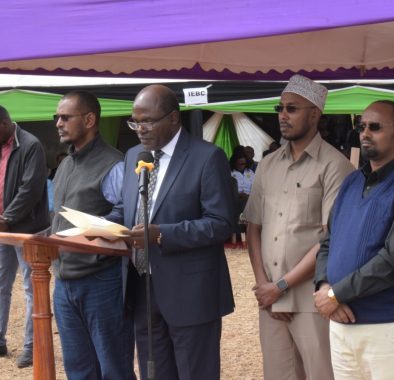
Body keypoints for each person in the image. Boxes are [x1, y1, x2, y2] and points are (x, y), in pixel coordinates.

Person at [107, 84, 235, 380]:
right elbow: (125, 208)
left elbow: (220, 222)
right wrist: (99, 226)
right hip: (141, 288)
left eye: (148, 120)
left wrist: (161, 234)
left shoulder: (206, 157)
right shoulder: (133, 157)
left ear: (174, 119)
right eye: (134, 121)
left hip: (190, 292)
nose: (140, 128)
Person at [314, 100, 394, 380]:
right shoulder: (351, 182)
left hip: (391, 327)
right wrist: (324, 286)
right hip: (342, 323)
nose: (365, 133)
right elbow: (328, 241)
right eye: (361, 127)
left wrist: (336, 294)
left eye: (375, 127)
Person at [243, 74, 353, 380]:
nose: (282, 115)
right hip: (269, 297)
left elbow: (331, 238)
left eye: (292, 109)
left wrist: (281, 286)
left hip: (311, 297)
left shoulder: (335, 165)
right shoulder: (267, 164)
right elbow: (254, 227)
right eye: (280, 108)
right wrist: (265, 285)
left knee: (321, 374)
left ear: (315, 114)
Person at [50, 91, 135, 380]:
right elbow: (57, 221)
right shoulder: (64, 165)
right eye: (56, 117)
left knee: (114, 369)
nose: (58, 123)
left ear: (89, 120)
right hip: (64, 282)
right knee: (78, 369)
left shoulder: (113, 163)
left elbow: (128, 212)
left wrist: (90, 230)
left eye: (65, 117)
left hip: (102, 279)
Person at [0, 104, 50, 369]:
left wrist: (8, 218)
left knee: (31, 288)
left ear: (5, 123)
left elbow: (32, 188)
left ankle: (31, 346)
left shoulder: (32, 145)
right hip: (0, 228)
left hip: (27, 229)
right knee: (0, 285)